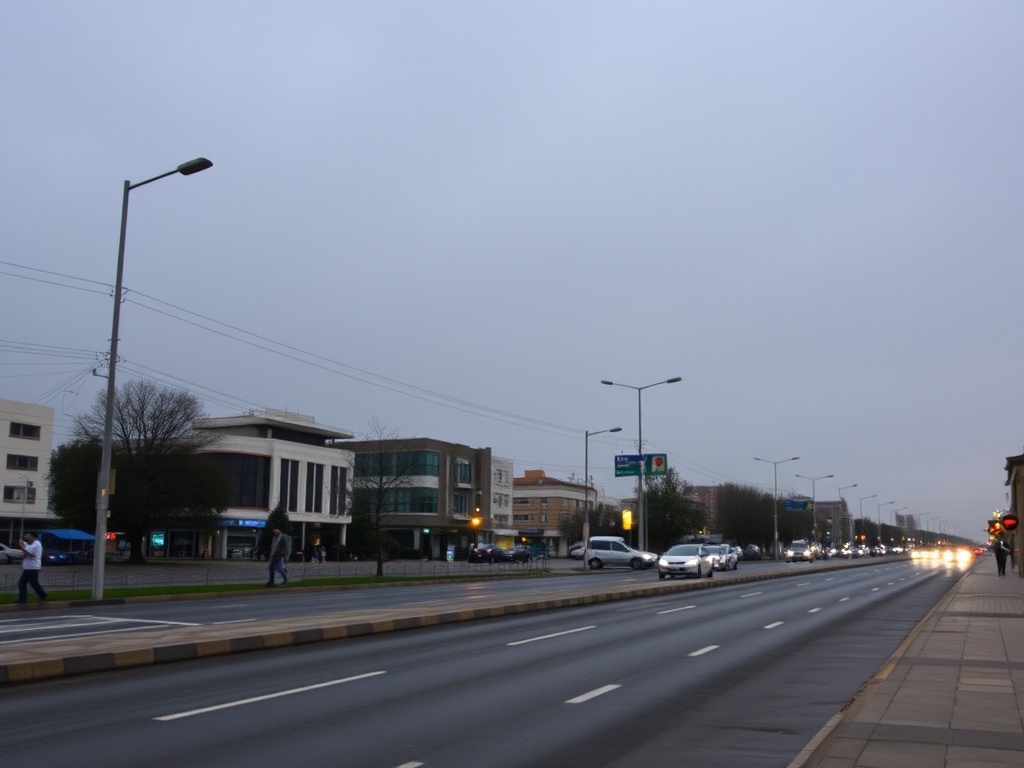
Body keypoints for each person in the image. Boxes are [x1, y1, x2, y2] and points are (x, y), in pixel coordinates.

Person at [16, 531, 48, 605]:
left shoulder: (37, 544)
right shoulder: (32, 544)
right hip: (28, 567)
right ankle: (22, 600)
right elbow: (26, 547)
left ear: (33, 536)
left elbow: (30, 553)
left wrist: (21, 546)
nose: (27, 537)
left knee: (33, 583)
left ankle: (43, 595)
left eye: (28, 536)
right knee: (23, 583)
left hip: (33, 567)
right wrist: (21, 543)